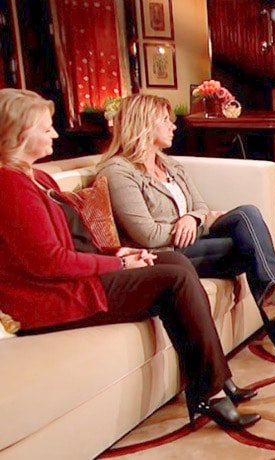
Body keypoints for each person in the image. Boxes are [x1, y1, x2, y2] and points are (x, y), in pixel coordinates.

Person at [0, 88, 259, 429]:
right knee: (173, 277)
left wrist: (119, 252)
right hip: (52, 300)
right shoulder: (9, 186)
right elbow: (50, 262)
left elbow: (77, 245)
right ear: (19, 133)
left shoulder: (37, 177)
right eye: (46, 128)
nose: (55, 134)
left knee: (176, 263)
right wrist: (119, 265)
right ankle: (211, 393)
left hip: (75, 279)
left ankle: (212, 383)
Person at [97, 94, 275, 364]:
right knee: (251, 247)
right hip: (165, 255)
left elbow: (201, 207)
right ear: (144, 124)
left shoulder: (169, 165)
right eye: (165, 120)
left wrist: (191, 218)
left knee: (247, 214)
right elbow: (148, 235)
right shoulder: (119, 171)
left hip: (193, 241)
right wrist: (190, 223)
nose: (173, 126)